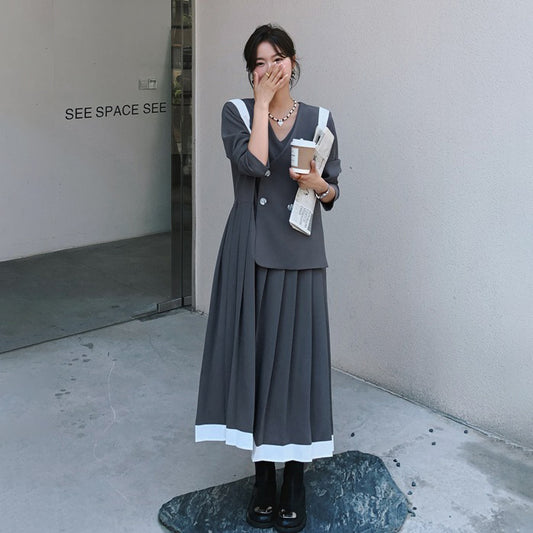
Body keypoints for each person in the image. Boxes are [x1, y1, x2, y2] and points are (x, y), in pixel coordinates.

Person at [195, 23, 341, 532]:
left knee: (297, 363)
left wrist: (319, 183)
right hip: (250, 251)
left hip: (301, 250)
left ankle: (294, 478)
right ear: (250, 71)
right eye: (259, 62)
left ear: (293, 61)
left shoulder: (321, 118)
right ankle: (262, 478)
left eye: (277, 58)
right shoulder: (236, 112)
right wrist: (261, 105)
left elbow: (332, 192)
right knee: (256, 363)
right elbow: (255, 164)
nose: (269, 68)